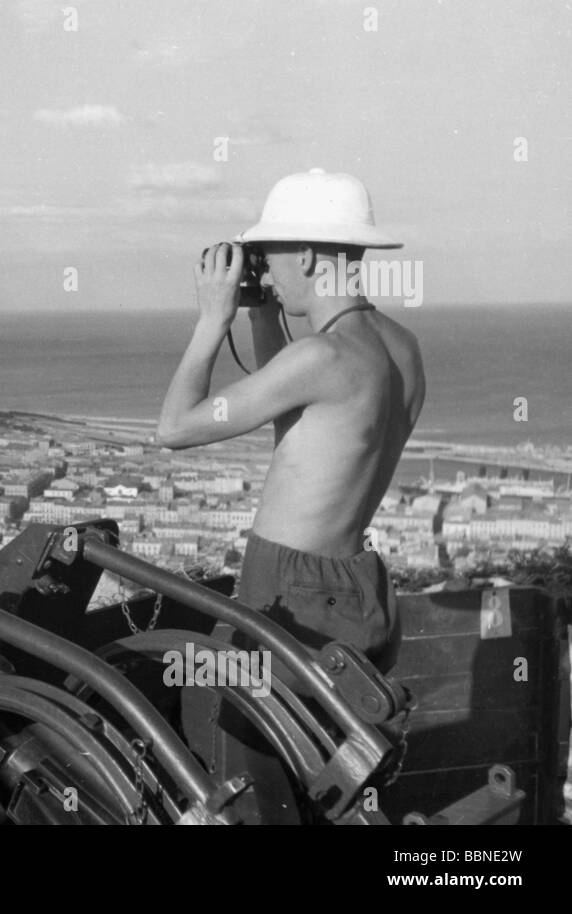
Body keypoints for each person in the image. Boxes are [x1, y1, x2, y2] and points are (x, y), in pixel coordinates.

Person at [155, 168, 425, 821]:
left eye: (271, 258)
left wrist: (212, 321)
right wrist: (260, 313)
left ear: (306, 254)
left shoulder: (322, 359)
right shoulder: (399, 349)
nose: (268, 273)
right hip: (356, 586)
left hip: (288, 592)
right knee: (317, 784)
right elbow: (298, 423)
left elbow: (175, 427)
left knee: (245, 783)